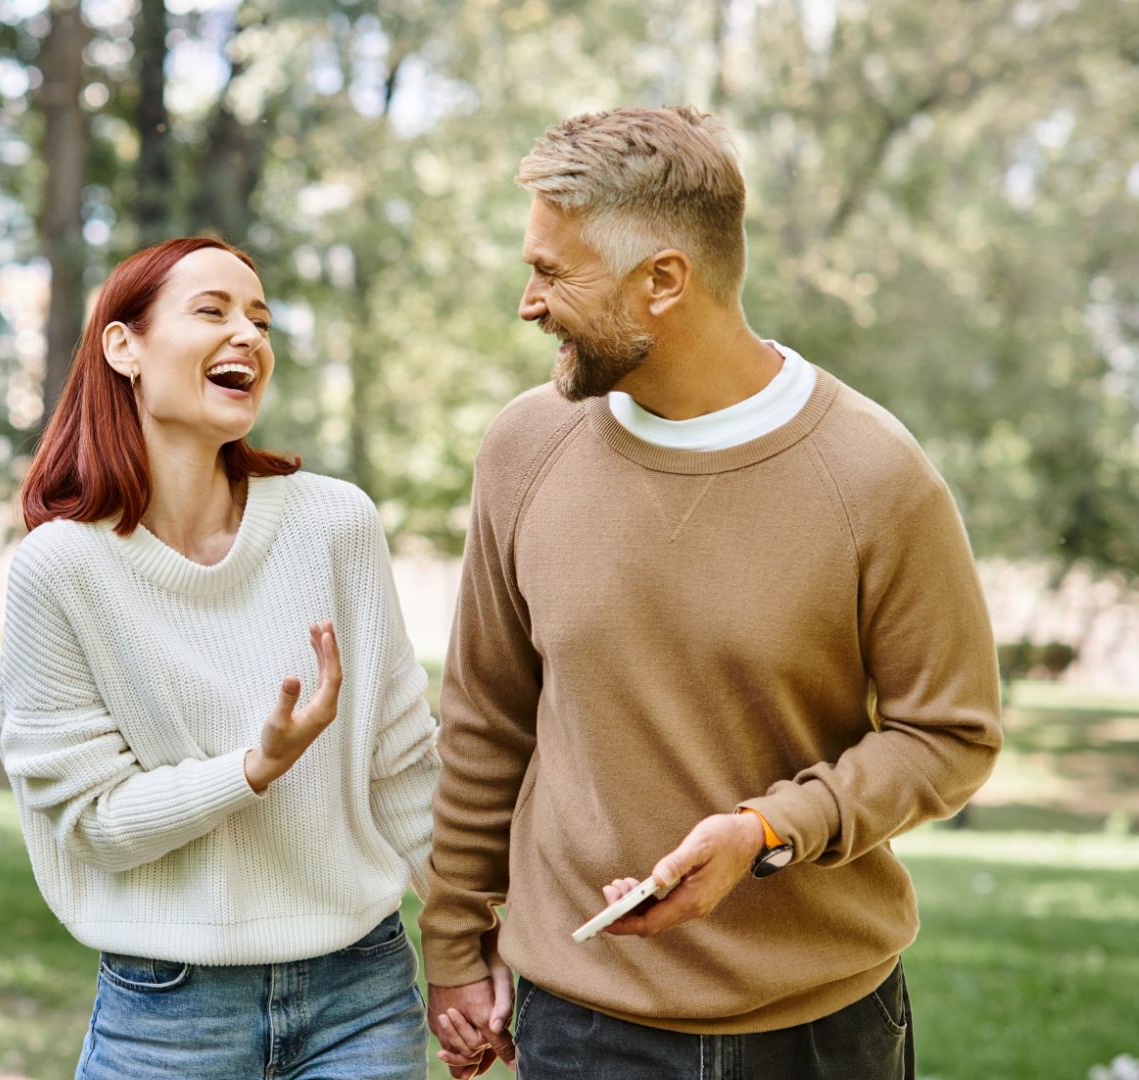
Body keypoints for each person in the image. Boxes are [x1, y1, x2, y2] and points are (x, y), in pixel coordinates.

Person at [420, 107, 1002, 1079]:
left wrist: (769, 830)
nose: (528, 303)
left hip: (822, 1030)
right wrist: (452, 944)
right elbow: (485, 714)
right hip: (584, 1023)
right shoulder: (525, 449)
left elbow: (950, 735)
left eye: (552, 272)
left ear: (663, 282)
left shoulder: (872, 475)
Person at [0, 236, 441, 1079]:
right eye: (213, 311)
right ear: (123, 346)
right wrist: (252, 768)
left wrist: (460, 949)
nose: (249, 335)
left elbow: (403, 766)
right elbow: (94, 824)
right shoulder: (62, 569)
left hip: (363, 993)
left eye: (261, 319)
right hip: (169, 1017)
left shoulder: (335, 526)